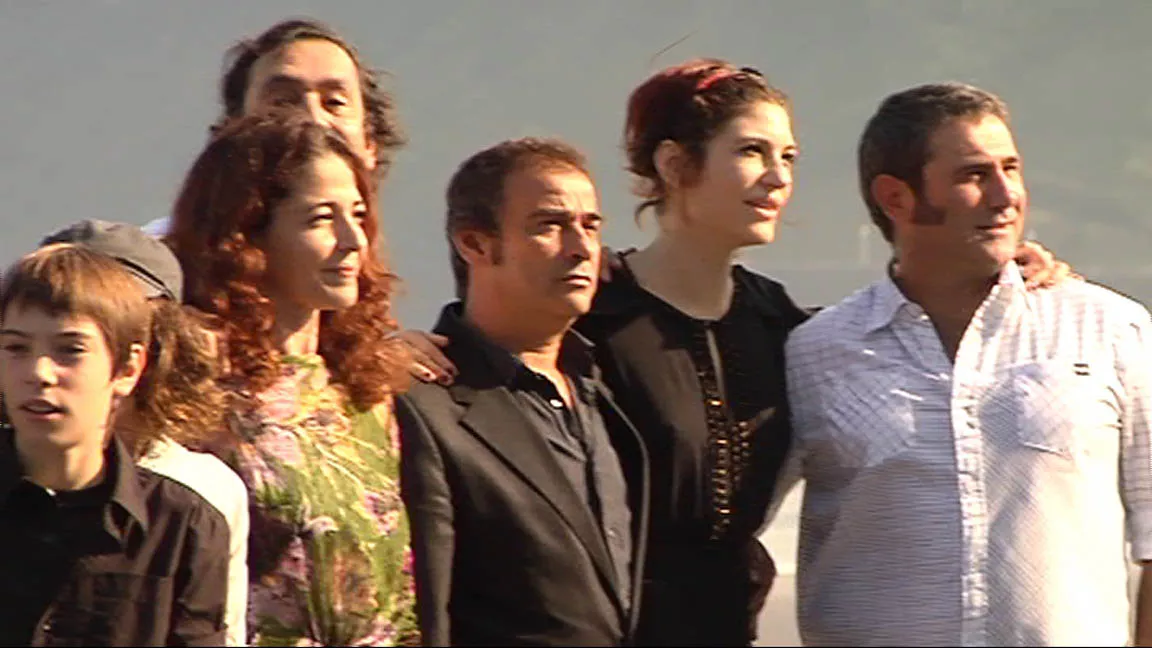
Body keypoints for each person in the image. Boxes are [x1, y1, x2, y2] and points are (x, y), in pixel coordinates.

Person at [399, 59, 1074, 646]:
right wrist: (395, 348)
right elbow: (489, 374)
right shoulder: (595, 308)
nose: (777, 178)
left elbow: (896, 342)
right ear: (673, 165)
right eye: (752, 152)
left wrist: (1003, 267)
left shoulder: (782, 325)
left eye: (789, 158)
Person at [784, 81, 1152, 646]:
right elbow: (722, 530)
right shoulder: (815, 352)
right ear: (896, 198)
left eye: (1011, 168)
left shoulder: (1110, 328)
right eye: (974, 175)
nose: (1006, 196)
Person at [166, 111, 416, 647]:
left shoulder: (364, 386)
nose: (353, 240)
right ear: (247, 236)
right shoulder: (198, 385)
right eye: (321, 219)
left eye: (359, 216)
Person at [397, 137, 649, 646]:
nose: (581, 247)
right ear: (475, 244)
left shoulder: (603, 389)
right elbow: (424, 616)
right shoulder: (423, 404)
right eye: (549, 225)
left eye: (591, 226)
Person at [0, 244, 230, 646]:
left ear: (127, 368)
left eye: (70, 350)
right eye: (17, 348)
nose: (39, 373)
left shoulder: (182, 527)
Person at [144, 16, 403, 236]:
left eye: (334, 102)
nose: (313, 119)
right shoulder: (164, 264)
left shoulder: (364, 270)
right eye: (283, 102)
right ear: (229, 133)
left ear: (371, 144)